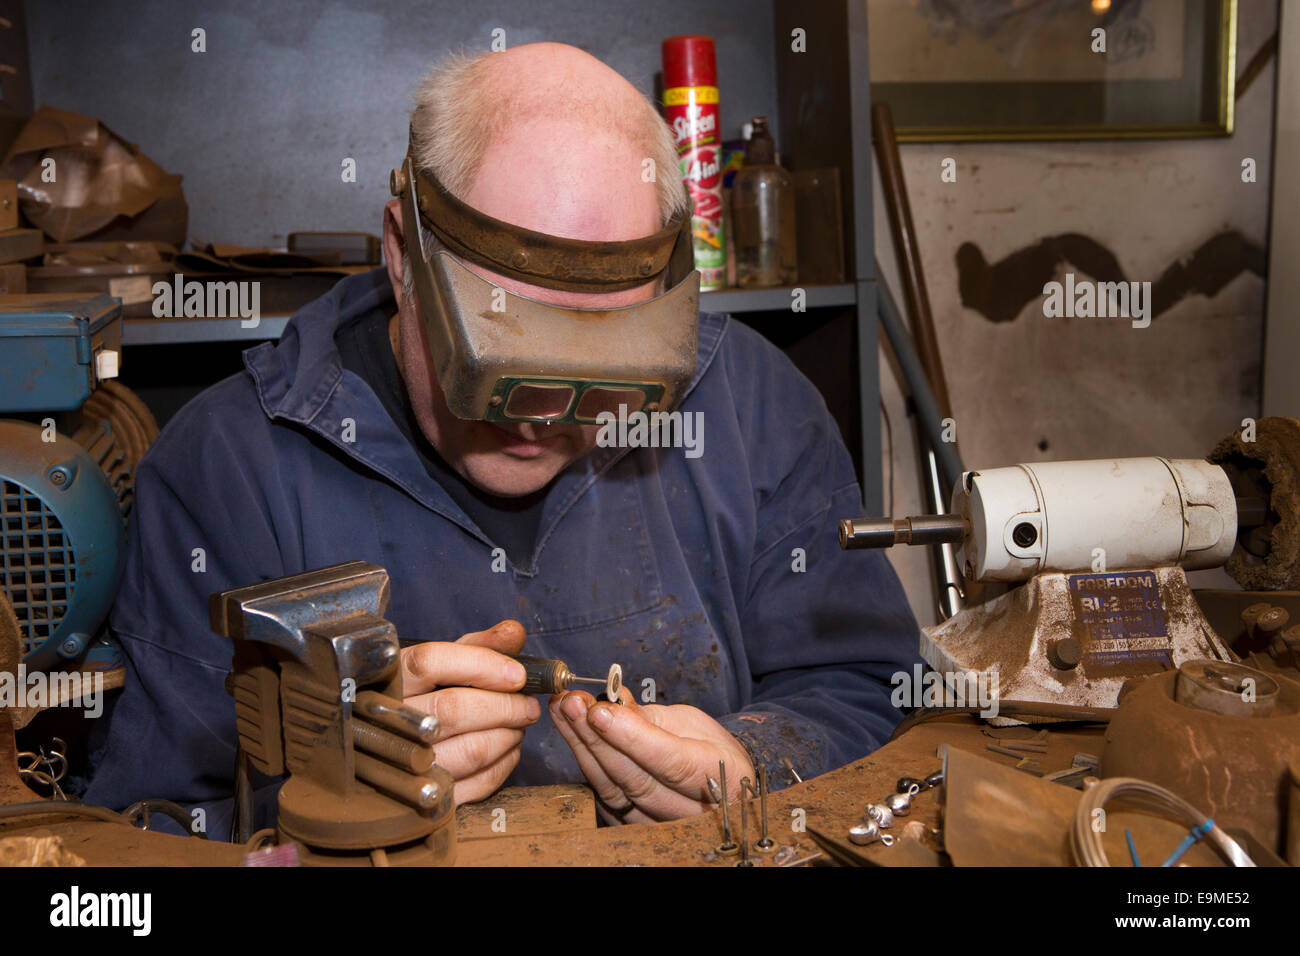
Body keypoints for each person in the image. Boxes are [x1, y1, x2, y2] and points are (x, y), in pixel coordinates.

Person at [85, 42, 921, 834]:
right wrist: (332, 795)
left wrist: (757, 764)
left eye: (602, 365)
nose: (542, 415)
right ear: (402, 254)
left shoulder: (747, 405)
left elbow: (866, 686)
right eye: (502, 359)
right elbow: (156, 827)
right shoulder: (226, 468)